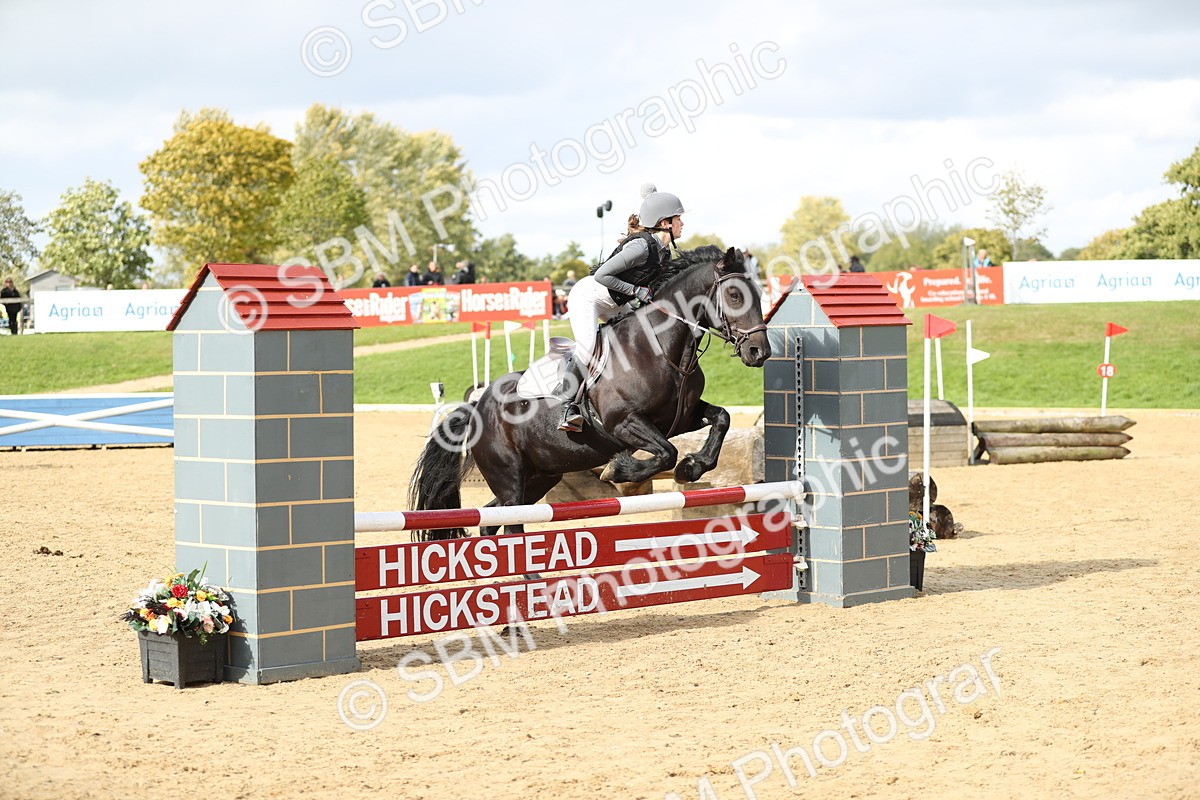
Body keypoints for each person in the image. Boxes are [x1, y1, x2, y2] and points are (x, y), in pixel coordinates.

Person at [557, 183, 685, 431]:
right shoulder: (640, 246)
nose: (682, 224)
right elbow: (602, 275)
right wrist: (637, 292)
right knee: (587, 349)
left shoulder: (663, 253)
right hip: (590, 297)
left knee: (637, 341)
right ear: (665, 222)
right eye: (679, 218)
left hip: (616, 303)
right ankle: (566, 407)